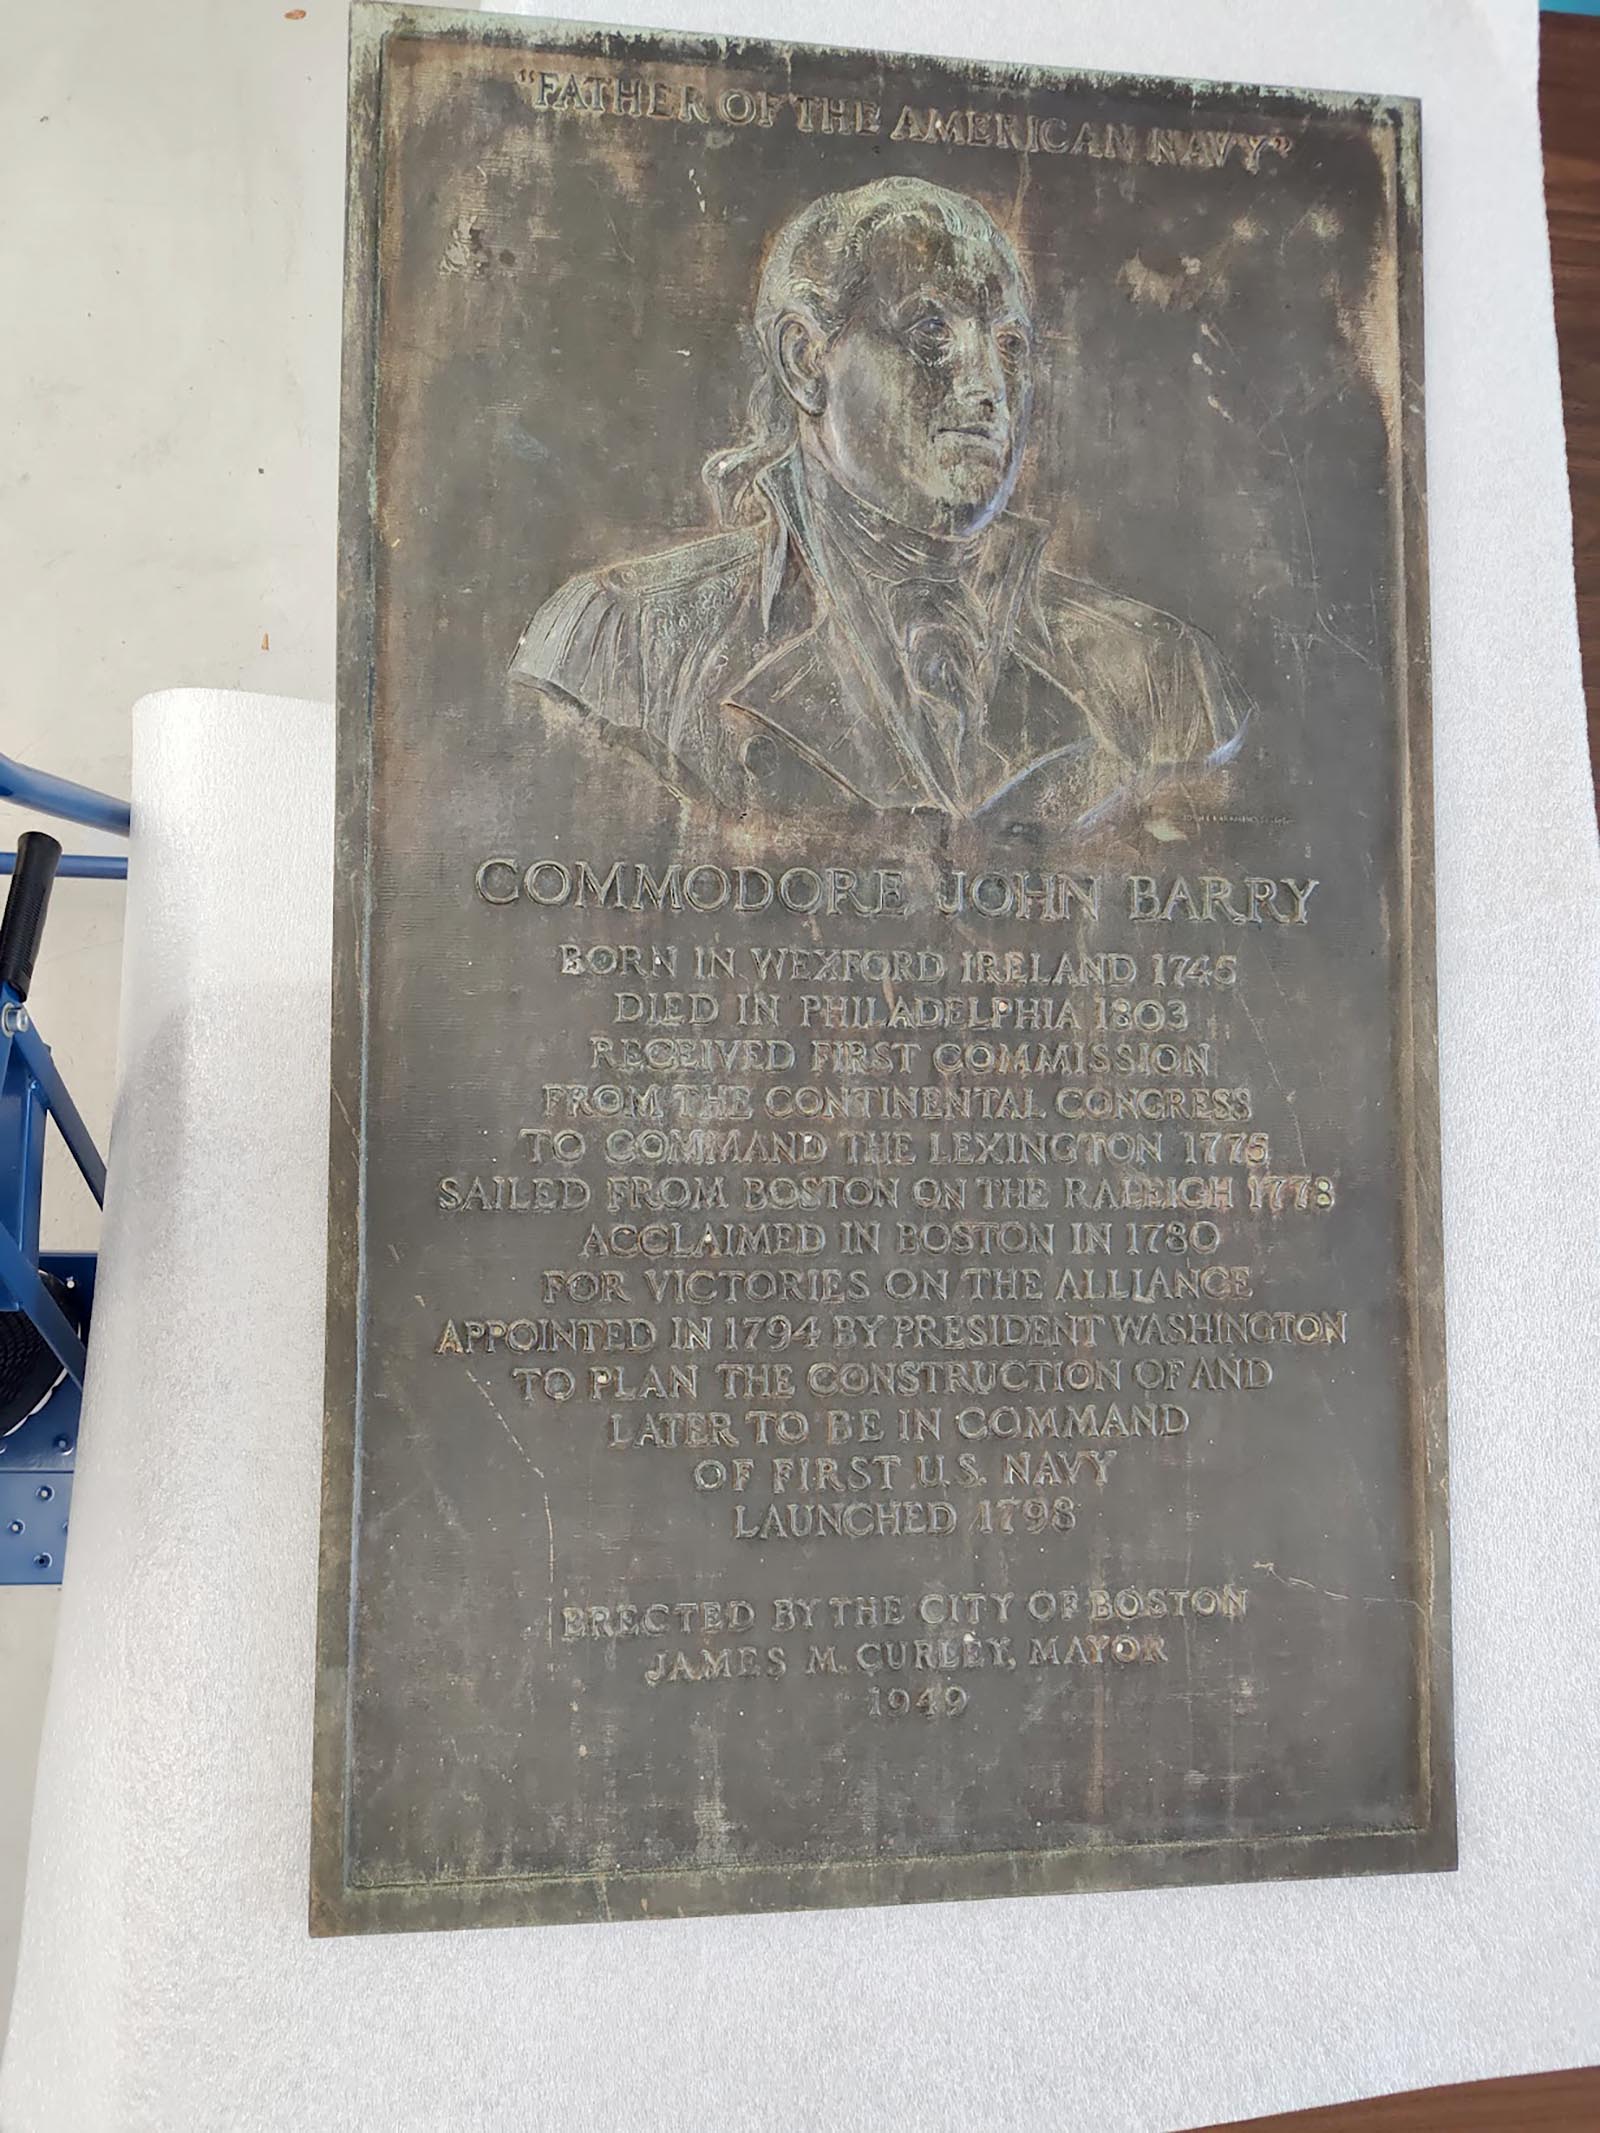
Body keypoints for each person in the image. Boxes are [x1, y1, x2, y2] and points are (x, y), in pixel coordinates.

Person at [510, 175, 1248, 828]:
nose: (989, 386)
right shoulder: (623, 643)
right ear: (806, 361)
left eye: (1010, 346)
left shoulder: (1163, 675)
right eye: (933, 331)